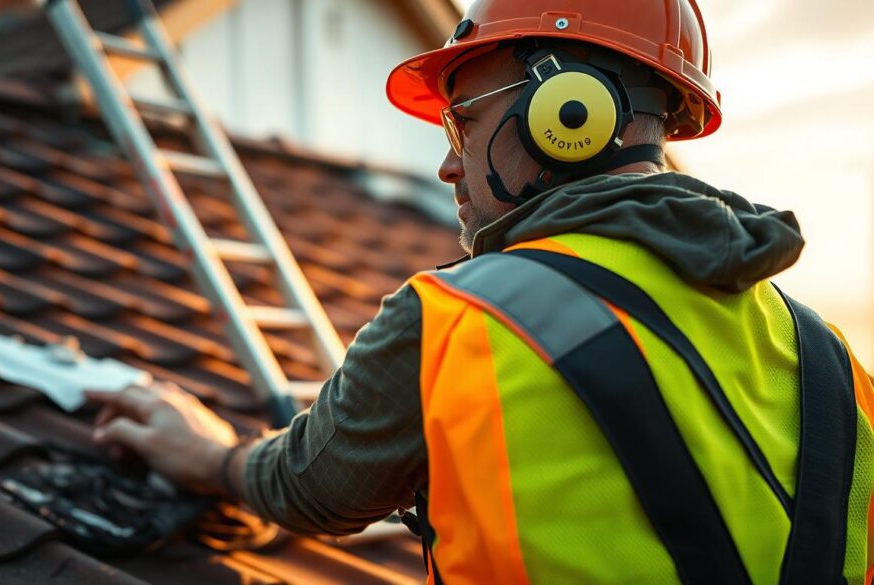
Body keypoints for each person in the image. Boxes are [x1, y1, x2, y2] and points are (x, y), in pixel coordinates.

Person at [87, 1, 874, 583]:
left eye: (463, 124)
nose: (449, 166)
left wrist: (210, 455)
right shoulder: (833, 360)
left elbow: (309, 489)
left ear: (571, 115)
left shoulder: (460, 316)